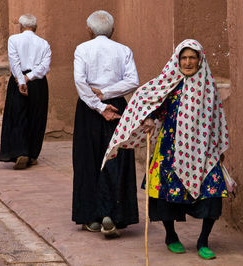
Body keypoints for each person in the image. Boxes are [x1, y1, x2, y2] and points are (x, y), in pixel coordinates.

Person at [102, 39, 230, 259]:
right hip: (171, 147)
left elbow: (217, 118)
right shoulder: (169, 82)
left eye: (192, 58)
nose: (188, 62)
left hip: (204, 150)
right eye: (184, 57)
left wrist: (218, 147)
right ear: (177, 60)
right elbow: (147, 100)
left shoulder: (208, 86)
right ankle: (171, 235)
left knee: (212, 194)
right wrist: (150, 118)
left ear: (200, 60)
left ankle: (203, 241)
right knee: (166, 194)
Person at [72, 10, 139, 237]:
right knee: (115, 158)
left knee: (87, 159)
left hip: (88, 109)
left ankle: (90, 217)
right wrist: (107, 95)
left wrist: (98, 104)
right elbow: (132, 81)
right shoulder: (124, 50)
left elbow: (80, 82)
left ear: (88, 30)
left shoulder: (82, 49)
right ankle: (113, 213)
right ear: (113, 30)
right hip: (117, 109)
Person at [0, 14, 51, 170]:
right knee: (37, 116)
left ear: (20, 27)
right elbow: (44, 66)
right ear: (35, 28)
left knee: (18, 115)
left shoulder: (14, 40)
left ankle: (20, 151)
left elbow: (14, 61)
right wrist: (29, 78)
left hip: (17, 81)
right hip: (38, 83)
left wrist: (21, 80)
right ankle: (33, 154)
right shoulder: (44, 43)